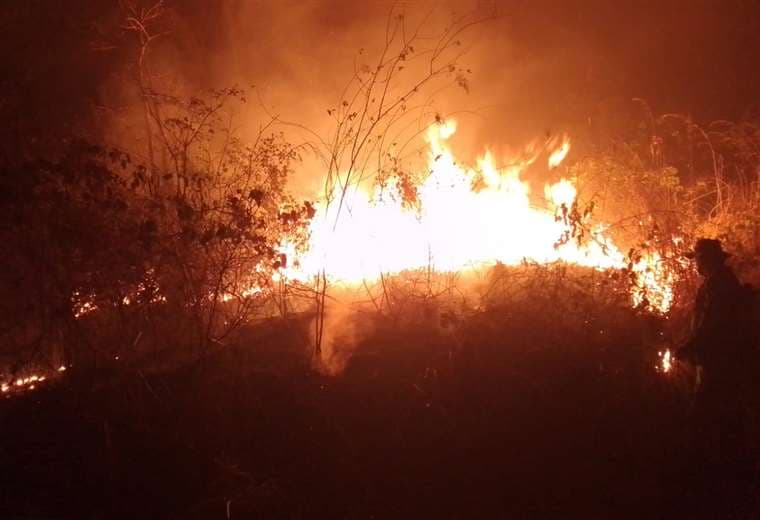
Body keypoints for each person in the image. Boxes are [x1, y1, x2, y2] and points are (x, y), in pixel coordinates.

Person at [677, 238, 756, 515]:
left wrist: (690, 347)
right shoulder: (719, 282)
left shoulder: (720, 286)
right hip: (717, 361)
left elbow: (713, 325)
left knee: (702, 414)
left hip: (719, 362)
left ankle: (701, 479)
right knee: (728, 415)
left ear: (706, 259)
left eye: (697, 258)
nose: (694, 263)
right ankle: (736, 471)